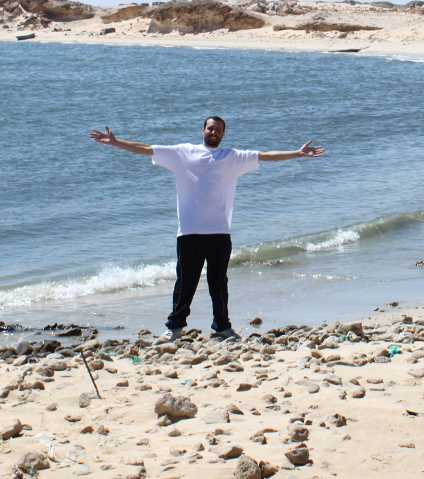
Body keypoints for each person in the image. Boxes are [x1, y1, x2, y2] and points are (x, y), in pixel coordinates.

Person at [89, 116, 324, 341]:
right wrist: (116, 142)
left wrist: (298, 153)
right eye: (210, 128)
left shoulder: (231, 156)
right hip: (189, 231)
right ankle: (175, 327)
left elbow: (266, 155)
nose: (214, 132)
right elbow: (147, 148)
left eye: (219, 129)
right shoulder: (183, 153)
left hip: (220, 231)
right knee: (185, 282)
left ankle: (222, 327)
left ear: (223, 134)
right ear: (203, 130)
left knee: (218, 282)